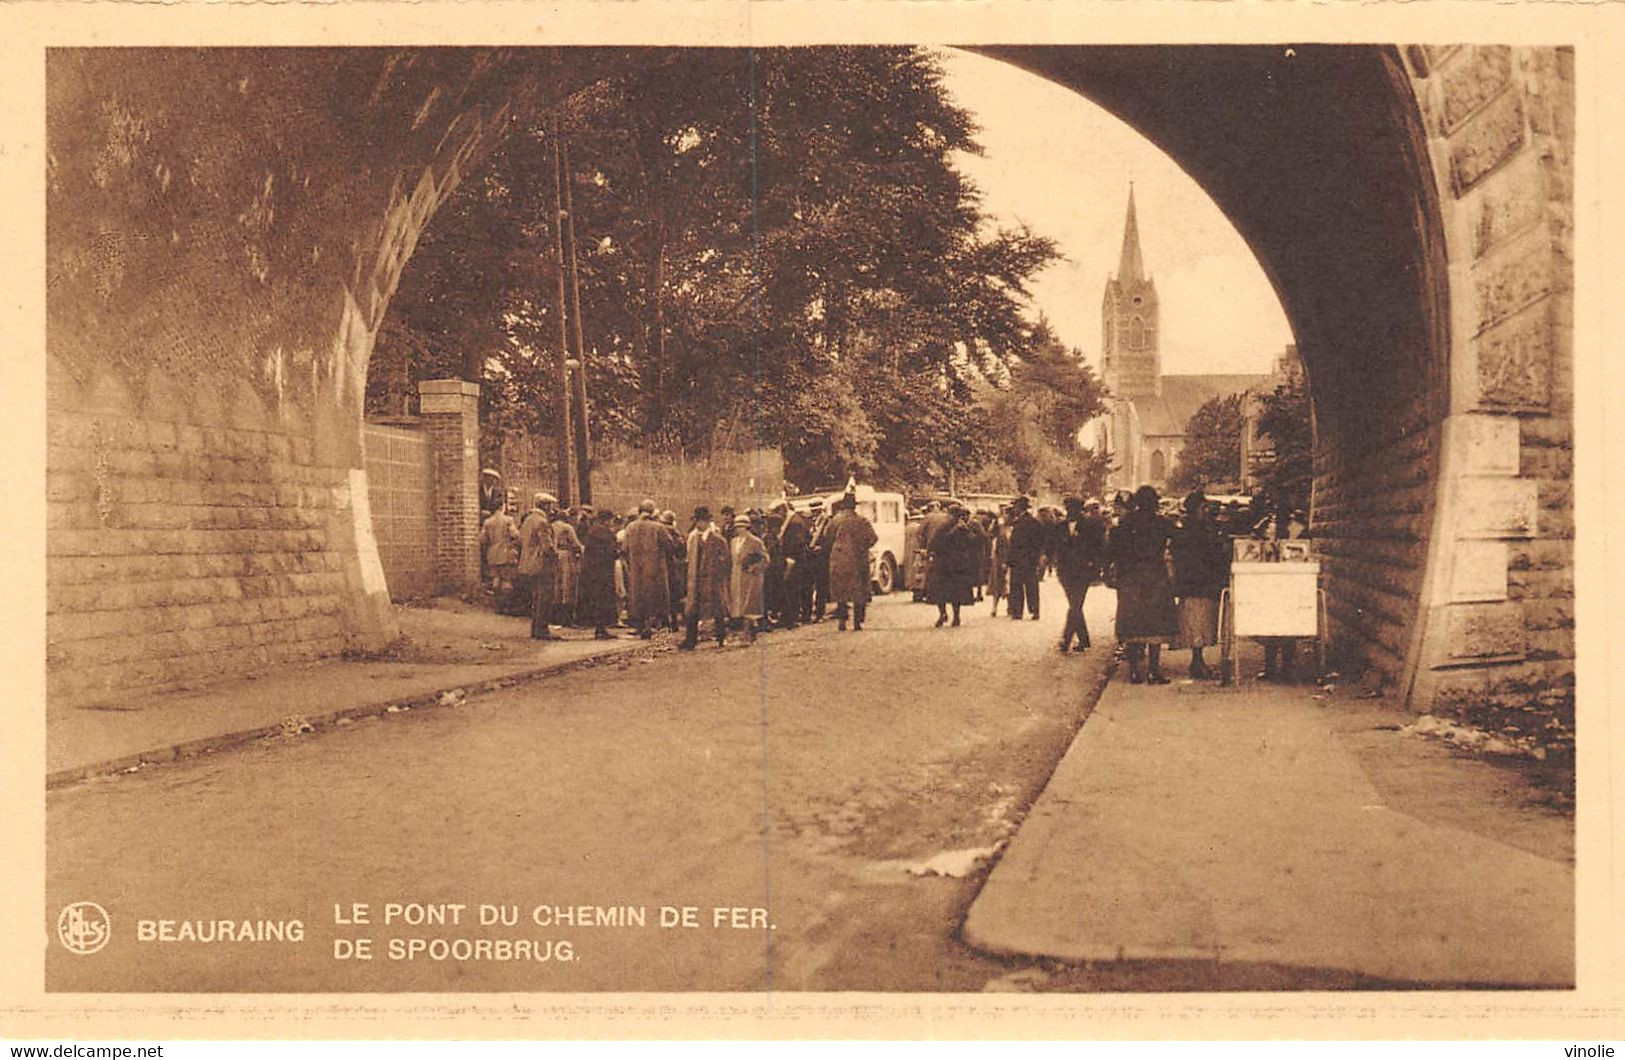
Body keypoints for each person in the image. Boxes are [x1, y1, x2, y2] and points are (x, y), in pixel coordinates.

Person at [1107, 484, 1178, 683]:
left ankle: (1134, 671)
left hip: (1131, 578)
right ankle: (1154, 671)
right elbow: (1179, 541)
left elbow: (1112, 549)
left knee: (1133, 625)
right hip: (1156, 577)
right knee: (1155, 625)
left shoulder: (1125, 523)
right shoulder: (1162, 523)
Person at [1170, 490, 1229, 678]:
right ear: (1196, 508)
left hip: (1194, 584)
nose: (1206, 510)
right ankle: (1197, 663)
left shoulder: (1186, 528)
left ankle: (1198, 661)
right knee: (1199, 624)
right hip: (1199, 584)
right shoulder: (1198, 529)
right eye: (1203, 507)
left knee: (1200, 624)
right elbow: (1210, 553)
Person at [1054, 496, 1108, 653]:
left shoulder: (1092, 525)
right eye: (1067, 509)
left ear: (1080, 510)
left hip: (1083, 570)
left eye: (1073, 509)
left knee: (1076, 603)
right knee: (1075, 604)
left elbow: (1100, 547)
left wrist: (1095, 564)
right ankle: (1083, 640)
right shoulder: (1060, 526)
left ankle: (1066, 639)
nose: (1069, 512)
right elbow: (1055, 546)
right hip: (1065, 571)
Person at [622, 500, 677, 639]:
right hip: (656, 569)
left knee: (638, 596)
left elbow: (624, 548)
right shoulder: (658, 527)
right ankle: (658, 631)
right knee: (658, 598)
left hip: (636, 569)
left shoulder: (630, 528)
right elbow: (670, 546)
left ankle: (641, 627)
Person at [824, 492, 878, 631]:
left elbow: (826, 538)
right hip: (858, 559)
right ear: (854, 506)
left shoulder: (834, 521)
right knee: (859, 591)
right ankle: (857, 622)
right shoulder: (861, 521)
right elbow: (873, 539)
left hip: (838, 559)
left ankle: (842, 620)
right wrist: (862, 546)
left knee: (841, 591)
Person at [682, 506, 731, 649]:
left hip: (712, 580)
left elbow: (725, 561)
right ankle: (690, 640)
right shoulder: (694, 538)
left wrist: (716, 574)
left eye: (699, 521)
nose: (698, 524)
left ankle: (721, 637)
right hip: (696, 580)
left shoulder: (718, 539)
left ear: (705, 522)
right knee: (692, 610)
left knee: (717, 610)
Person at [517, 492, 560, 641]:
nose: (551, 509)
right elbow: (547, 545)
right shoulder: (542, 522)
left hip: (527, 564)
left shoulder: (528, 520)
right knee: (545, 597)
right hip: (542, 565)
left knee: (536, 598)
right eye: (549, 506)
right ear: (545, 506)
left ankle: (535, 629)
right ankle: (542, 630)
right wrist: (556, 556)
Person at [926, 504, 978, 628]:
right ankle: (956, 616)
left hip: (943, 563)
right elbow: (973, 542)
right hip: (958, 564)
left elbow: (935, 543)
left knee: (940, 590)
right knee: (956, 591)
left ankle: (943, 613)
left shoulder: (943, 527)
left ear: (950, 514)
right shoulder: (963, 528)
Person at [579, 508, 621, 640]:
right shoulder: (604, 532)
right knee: (602, 600)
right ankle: (601, 629)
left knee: (596, 599)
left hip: (592, 569)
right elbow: (611, 551)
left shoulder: (593, 529)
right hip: (603, 570)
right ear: (607, 520)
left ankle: (600, 628)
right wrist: (618, 552)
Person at [728, 514, 769, 641]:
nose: (738, 529)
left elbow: (765, 559)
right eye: (737, 527)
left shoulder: (755, 541)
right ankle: (746, 631)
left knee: (749, 604)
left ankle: (749, 632)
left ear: (747, 527)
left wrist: (755, 568)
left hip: (751, 577)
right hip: (736, 575)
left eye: (741, 527)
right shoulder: (733, 542)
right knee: (739, 605)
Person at [1005, 496, 1045, 621]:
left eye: (1015, 506)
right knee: (1030, 585)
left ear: (1019, 507)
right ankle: (1034, 610)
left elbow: (1015, 543)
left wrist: (1009, 560)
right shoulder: (1034, 521)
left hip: (1021, 559)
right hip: (1028, 559)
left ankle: (1018, 611)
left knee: (1019, 585)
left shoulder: (1022, 522)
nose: (1014, 509)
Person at [775, 501, 812, 630]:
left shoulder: (794, 523)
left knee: (792, 588)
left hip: (794, 559)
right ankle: (789, 617)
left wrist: (790, 557)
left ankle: (792, 617)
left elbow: (797, 542)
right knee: (790, 588)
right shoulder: (793, 520)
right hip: (795, 559)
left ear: (782, 510)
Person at [480, 502, 521, 615]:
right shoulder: (508, 520)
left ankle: (497, 606)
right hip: (505, 552)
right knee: (506, 580)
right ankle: (505, 606)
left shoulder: (487, 522)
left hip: (492, 553)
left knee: (495, 579)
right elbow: (515, 535)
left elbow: (483, 539)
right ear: (502, 507)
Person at [552, 507, 584, 627]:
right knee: (568, 586)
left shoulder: (552, 526)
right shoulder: (567, 528)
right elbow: (576, 544)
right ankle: (567, 618)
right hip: (566, 556)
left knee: (556, 585)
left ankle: (555, 616)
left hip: (555, 556)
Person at [987, 505, 1011, 616]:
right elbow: (990, 534)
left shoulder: (1013, 526)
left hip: (1010, 558)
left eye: (1006, 513)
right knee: (997, 582)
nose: (1004, 515)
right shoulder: (999, 525)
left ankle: (1009, 607)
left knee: (1009, 583)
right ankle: (994, 607)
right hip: (999, 557)